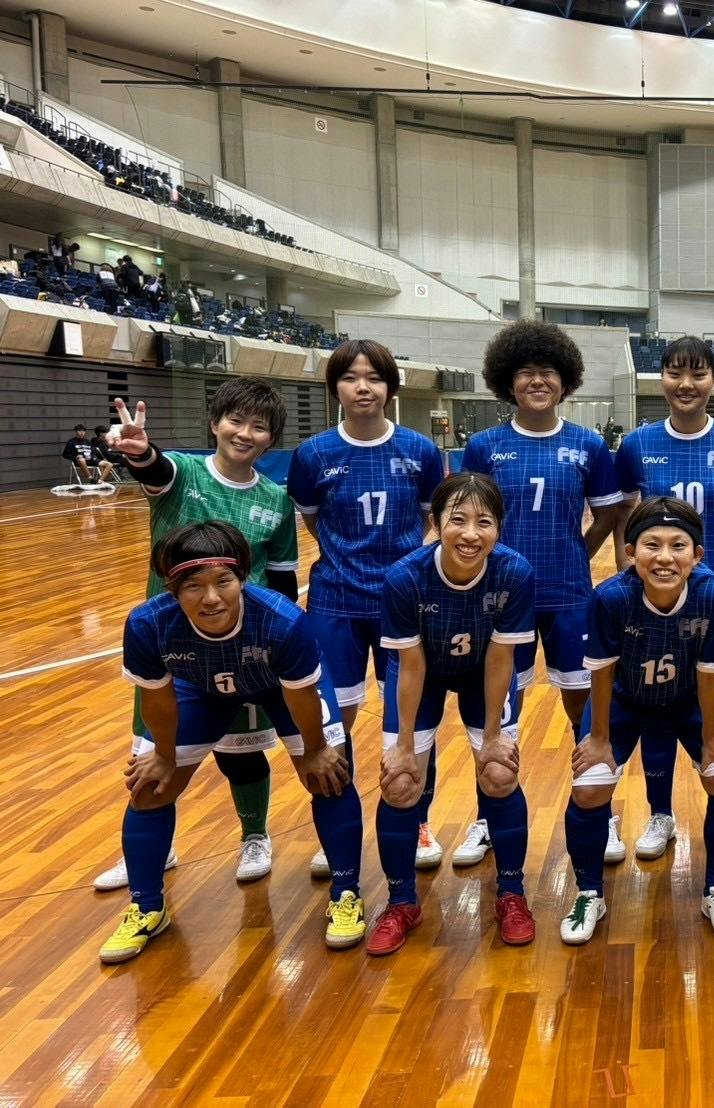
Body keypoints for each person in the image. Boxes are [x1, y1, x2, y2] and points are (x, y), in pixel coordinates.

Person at [99, 523, 364, 963]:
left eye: (223, 581)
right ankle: (147, 908)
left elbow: (300, 695)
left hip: (280, 687)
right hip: (200, 687)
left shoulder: (281, 620)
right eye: (193, 586)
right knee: (149, 787)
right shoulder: (147, 624)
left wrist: (317, 750)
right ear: (171, 588)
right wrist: (163, 755)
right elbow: (157, 699)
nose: (211, 598)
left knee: (330, 774)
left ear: (242, 577)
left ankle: (347, 892)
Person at [91, 381, 300, 892]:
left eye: (259, 427)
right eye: (236, 421)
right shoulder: (184, 473)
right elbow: (154, 469)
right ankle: (155, 848)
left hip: (244, 647)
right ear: (215, 423)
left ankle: (255, 835)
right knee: (153, 751)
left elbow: (283, 580)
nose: (245, 433)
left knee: (239, 751)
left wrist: (277, 645)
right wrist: (139, 453)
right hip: (171, 645)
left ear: (271, 439)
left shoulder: (276, 500)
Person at [460, 320, 627, 858]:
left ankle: (602, 812)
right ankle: (489, 815)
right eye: (526, 372)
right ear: (507, 381)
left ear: (566, 380)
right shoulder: (484, 447)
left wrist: (578, 549)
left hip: (569, 595)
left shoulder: (588, 445)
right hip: (498, 598)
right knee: (496, 713)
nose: (537, 380)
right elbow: (469, 520)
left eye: (548, 371)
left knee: (585, 708)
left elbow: (608, 514)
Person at [560, 498, 714, 943]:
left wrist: (711, 739)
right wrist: (599, 738)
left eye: (678, 546)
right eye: (652, 545)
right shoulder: (610, 597)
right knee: (589, 788)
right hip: (625, 699)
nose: (665, 557)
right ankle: (589, 893)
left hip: (691, 700)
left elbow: (711, 675)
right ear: (630, 552)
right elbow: (601, 672)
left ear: (697, 555)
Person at [288, 339, 445, 878]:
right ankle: (339, 824)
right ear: (335, 387)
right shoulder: (313, 455)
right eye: (351, 378)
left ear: (390, 388)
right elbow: (314, 520)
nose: (363, 388)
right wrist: (347, 559)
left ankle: (417, 817)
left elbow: (430, 518)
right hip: (336, 602)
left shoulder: (420, 450)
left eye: (374, 378)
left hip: (404, 603)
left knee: (410, 719)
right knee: (335, 721)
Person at [368, 474, 536, 954]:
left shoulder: (514, 572)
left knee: (499, 774)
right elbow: (411, 666)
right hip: (422, 672)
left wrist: (493, 737)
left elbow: (501, 659)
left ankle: (511, 893)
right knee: (401, 783)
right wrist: (403, 747)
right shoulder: (405, 577)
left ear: (499, 528)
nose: (470, 533)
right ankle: (402, 902)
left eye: (484, 522)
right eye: (457, 520)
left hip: (484, 671)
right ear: (435, 522)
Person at [613, 337, 714, 863]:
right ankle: (660, 813)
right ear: (661, 379)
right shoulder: (637, 444)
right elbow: (624, 513)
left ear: (713, 381)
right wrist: (626, 571)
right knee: (657, 706)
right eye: (675, 373)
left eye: (698, 374)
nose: (686, 384)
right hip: (654, 599)